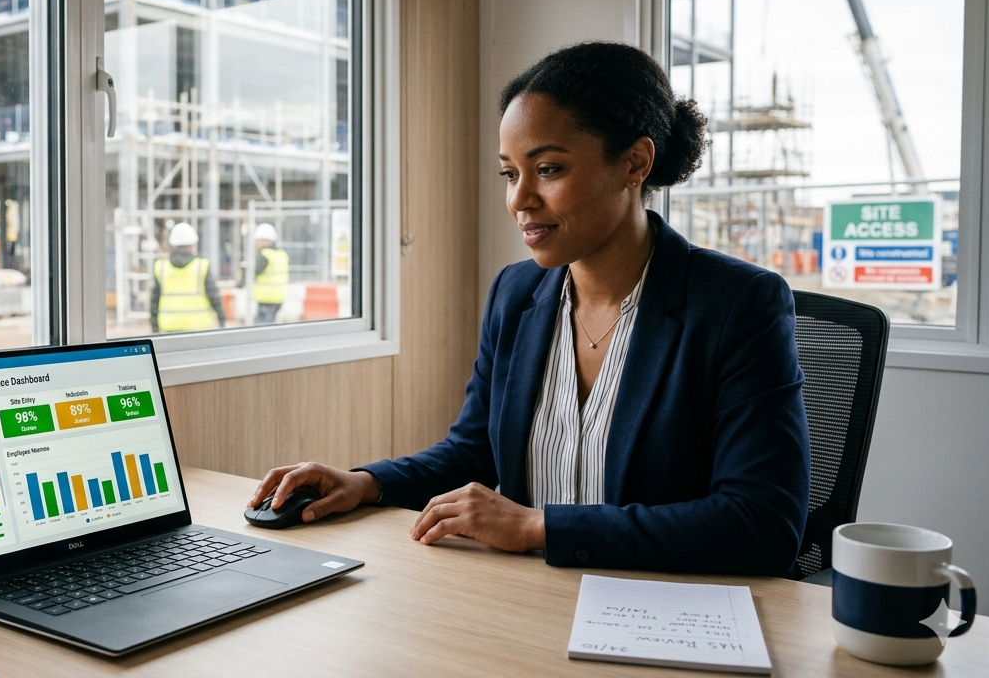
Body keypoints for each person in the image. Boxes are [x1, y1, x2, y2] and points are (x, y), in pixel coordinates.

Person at [249, 42, 811, 577]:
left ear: (635, 163)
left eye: (548, 169)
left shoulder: (737, 305)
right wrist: (365, 482)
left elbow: (761, 524)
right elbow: (473, 451)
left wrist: (538, 526)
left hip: (665, 610)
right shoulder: (516, 295)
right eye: (510, 173)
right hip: (528, 597)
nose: (519, 200)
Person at [151, 222, 225, 332]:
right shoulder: (201, 265)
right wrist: (221, 318)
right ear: (192, 244)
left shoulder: (161, 267)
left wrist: (154, 326)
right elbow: (213, 294)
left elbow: (154, 299)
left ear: (173, 244)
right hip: (198, 326)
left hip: (170, 325)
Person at [251, 223, 288, 325]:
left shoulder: (265, 255)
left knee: (262, 328)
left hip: (266, 298)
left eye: (258, 241)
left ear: (265, 241)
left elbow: (254, 272)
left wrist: (241, 281)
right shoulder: (281, 254)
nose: (256, 244)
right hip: (278, 297)